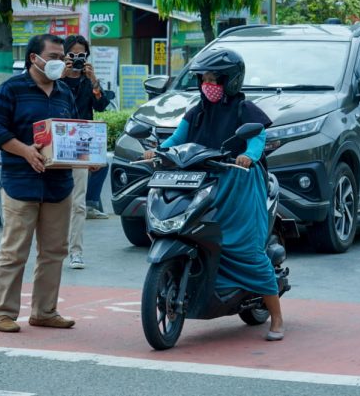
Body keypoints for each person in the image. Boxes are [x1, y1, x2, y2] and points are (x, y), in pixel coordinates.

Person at [144, 47, 285, 341]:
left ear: (230, 80)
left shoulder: (246, 111)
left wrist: (248, 156)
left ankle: (277, 318)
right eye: (204, 79)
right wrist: (158, 151)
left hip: (239, 182)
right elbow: (177, 139)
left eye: (214, 79)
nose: (208, 84)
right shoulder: (197, 111)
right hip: (203, 179)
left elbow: (257, 140)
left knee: (247, 250)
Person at [0, 34, 78, 333]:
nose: (59, 62)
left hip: (58, 184)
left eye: (61, 57)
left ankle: (45, 311)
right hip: (20, 182)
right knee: (14, 251)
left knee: (54, 251)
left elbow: (74, 132)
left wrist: (87, 156)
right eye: (53, 57)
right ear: (33, 58)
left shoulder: (64, 92)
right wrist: (25, 151)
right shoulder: (11, 89)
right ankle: (0, 313)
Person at [61, 35, 110, 269]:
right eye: (72, 55)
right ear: (64, 56)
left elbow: (101, 106)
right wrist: (60, 75)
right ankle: (52, 249)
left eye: (81, 55)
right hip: (56, 145)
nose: (77, 60)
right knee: (55, 203)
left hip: (80, 146)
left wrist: (94, 81)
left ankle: (76, 251)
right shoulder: (54, 80)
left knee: (78, 204)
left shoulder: (88, 82)